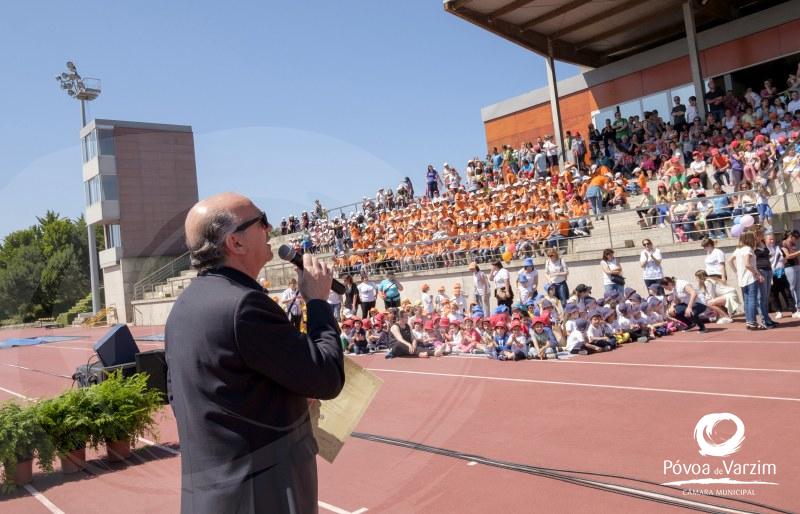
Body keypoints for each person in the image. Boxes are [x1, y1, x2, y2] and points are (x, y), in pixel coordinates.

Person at [165, 192, 344, 514]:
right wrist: (317, 302)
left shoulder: (185, 305)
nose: (270, 227)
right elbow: (327, 377)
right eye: (261, 221)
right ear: (236, 243)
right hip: (262, 495)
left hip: (213, 494)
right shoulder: (243, 305)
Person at [730, 231, 766, 330]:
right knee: (752, 300)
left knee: (747, 300)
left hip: (742, 278)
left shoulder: (738, 249)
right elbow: (747, 264)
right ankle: (752, 322)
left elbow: (730, 261)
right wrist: (757, 274)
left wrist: (737, 272)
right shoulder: (748, 249)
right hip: (750, 278)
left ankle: (749, 322)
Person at [781, 230, 800, 318]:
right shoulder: (784, 243)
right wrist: (799, 252)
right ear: (791, 236)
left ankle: (798, 306)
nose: (796, 240)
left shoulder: (793, 244)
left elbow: (795, 255)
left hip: (796, 266)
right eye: (795, 238)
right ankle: (793, 308)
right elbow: (787, 256)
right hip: (789, 267)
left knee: (798, 287)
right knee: (791, 287)